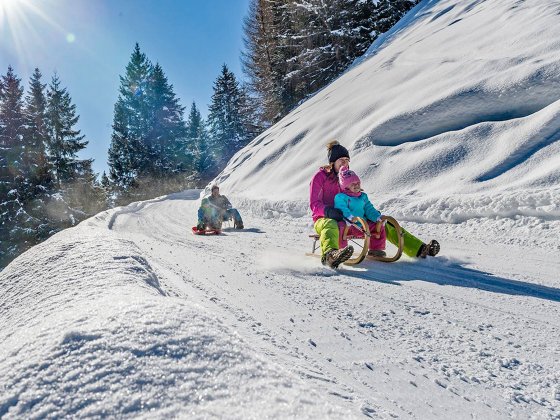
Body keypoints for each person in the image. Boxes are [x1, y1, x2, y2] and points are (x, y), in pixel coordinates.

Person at [309, 141, 439, 268]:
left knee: (383, 223)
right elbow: (314, 204)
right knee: (330, 224)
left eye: (347, 160)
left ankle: (420, 249)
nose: (345, 163)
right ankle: (330, 255)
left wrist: (375, 216)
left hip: (353, 219)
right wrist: (328, 211)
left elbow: (361, 202)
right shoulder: (320, 177)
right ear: (332, 162)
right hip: (325, 218)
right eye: (341, 160)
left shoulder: (349, 178)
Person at [334, 166, 387, 258]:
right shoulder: (341, 197)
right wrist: (349, 217)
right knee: (340, 227)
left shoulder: (363, 196)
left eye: (358, 183)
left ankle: (376, 249)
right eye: (352, 183)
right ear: (345, 186)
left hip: (363, 226)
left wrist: (377, 217)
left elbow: (369, 209)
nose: (356, 185)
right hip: (349, 226)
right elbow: (341, 208)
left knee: (378, 225)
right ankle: (341, 251)